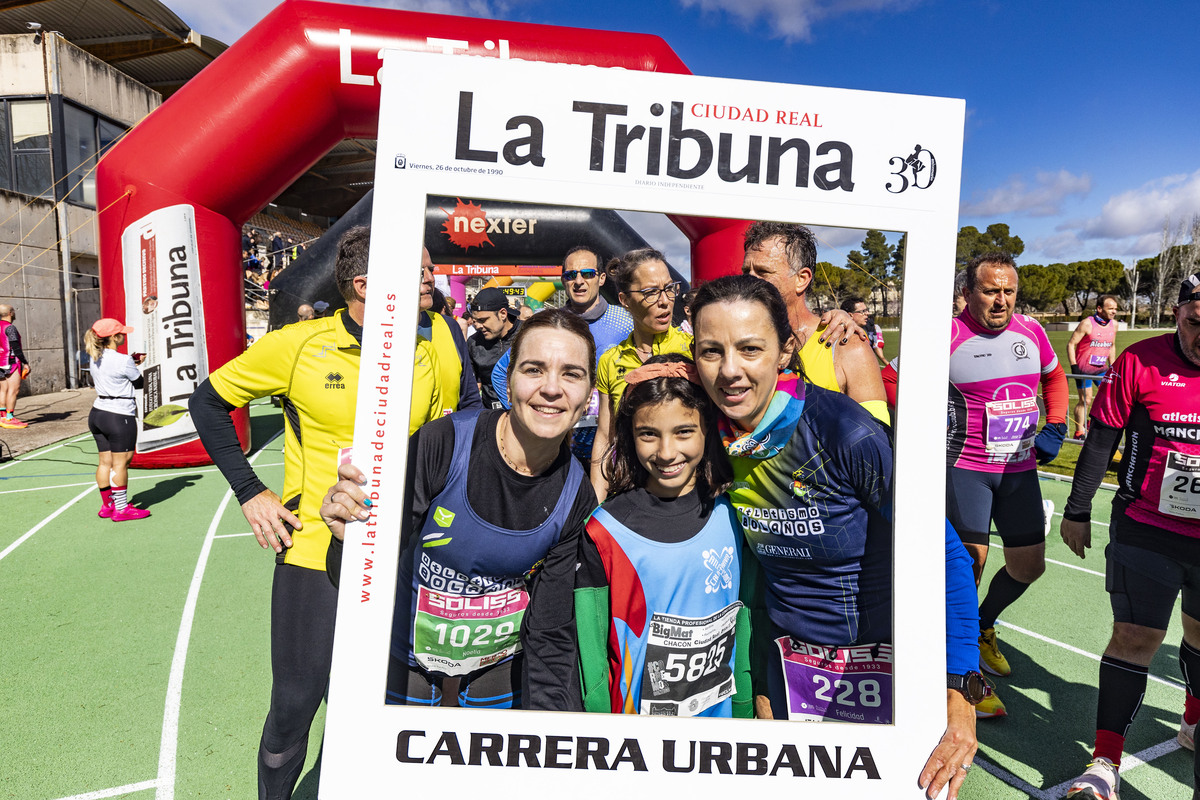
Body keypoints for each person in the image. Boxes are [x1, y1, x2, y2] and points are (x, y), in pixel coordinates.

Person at [691, 275, 982, 800]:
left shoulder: (847, 432)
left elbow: (946, 556)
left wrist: (958, 687)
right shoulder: (703, 433)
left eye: (750, 349)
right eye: (711, 351)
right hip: (785, 673)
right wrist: (761, 682)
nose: (729, 370)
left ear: (785, 351)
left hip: (884, 669)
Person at [187, 226, 439, 800]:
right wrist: (251, 491)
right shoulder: (300, 345)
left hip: (397, 555)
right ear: (362, 284)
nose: (430, 278)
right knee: (294, 706)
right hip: (311, 556)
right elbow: (208, 401)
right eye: (416, 269)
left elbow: (449, 429)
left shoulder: (429, 346)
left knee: (367, 704)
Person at [323, 308, 599, 710]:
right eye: (534, 370)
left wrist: (550, 735)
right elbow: (351, 577)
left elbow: (551, 631)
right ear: (508, 378)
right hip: (402, 651)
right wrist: (346, 542)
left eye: (571, 374)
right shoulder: (442, 444)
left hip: (500, 663)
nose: (552, 389)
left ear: (589, 391)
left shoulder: (577, 495)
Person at [1061, 274, 1200, 800]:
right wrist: (1077, 510)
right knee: (1135, 639)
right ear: (1178, 311)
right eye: (1194, 321)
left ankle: (1191, 720)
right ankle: (1104, 764)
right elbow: (1101, 438)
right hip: (1147, 528)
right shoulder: (1140, 360)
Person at [575, 353, 749, 717]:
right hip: (637, 741)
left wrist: (745, 707)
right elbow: (591, 658)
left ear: (708, 429)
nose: (667, 453)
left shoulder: (736, 514)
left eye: (684, 432)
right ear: (629, 436)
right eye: (648, 434)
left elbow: (746, 625)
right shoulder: (604, 532)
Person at [942, 252, 1068, 718]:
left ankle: (983, 626)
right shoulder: (947, 336)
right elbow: (893, 380)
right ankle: (963, 673)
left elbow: (1055, 377)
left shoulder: (1032, 332)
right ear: (969, 293)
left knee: (1029, 566)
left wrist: (1056, 424)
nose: (1000, 300)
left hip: (1018, 471)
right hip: (966, 468)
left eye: (1008, 291)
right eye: (990, 290)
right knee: (967, 568)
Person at [490, 245, 634, 463]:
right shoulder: (551, 322)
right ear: (563, 280)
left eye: (587, 274)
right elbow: (501, 372)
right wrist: (526, 418)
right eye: (570, 275)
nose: (578, 281)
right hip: (559, 451)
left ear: (601, 278)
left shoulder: (625, 320)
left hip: (614, 448)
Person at [742, 222, 888, 425]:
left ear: (802, 279)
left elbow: (875, 440)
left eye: (762, 272)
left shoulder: (847, 345)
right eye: (745, 271)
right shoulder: (734, 340)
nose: (749, 281)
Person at [591, 248, 692, 499]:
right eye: (650, 292)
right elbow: (605, 435)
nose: (665, 301)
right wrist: (596, 506)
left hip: (690, 491)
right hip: (631, 491)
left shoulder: (693, 348)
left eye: (670, 288)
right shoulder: (610, 360)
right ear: (624, 300)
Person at [86, 318, 151, 521]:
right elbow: (139, 383)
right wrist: (134, 364)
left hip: (98, 412)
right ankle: (121, 509)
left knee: (105, 462)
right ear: (114, 337)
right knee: (121, 463)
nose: (124, 335)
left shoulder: (94, 355)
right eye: (121, 333)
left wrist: (130, 362)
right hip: (119, 414)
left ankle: (108, 505)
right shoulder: (123, 360)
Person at [419, 247, 482, 416]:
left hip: (446, 440)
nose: (429, 278)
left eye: (431, 270)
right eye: (419, 271)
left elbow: (469, 399)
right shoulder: (348, 335)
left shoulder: (449, 326)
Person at [1067, 294, 1120, 440]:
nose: (1114, 312)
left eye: (1115, 309)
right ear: (1099, 308)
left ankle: (1093, 423)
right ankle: (1079, 432)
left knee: (1110, 397)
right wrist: (1074, 366)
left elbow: (1112, 345)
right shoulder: (1087, 324)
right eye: (1110, 309)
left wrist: (1113, 366)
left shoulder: (1114, 325)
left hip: (1102, 369)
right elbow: (1071, 344)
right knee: (1086, 399)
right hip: (1084, 369)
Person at [467, 287, 519, 408]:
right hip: (490, 415)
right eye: (475, 321)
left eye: (483, 320)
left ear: (502, 314)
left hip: (524, 413)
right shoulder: (473, 342)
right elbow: (470, 386)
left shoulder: (527, 335)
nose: (478, 326)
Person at [0, 304, 29, 428]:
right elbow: (15, 347)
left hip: (0, 361)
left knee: (3, 389)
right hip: (11, 361)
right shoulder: (10, 328)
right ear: (10, 313)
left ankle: (2, 416)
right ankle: (9, 418)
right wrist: (25, 363)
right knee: (13, 390)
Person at [841, 295, 887, 367]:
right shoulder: (845, 335)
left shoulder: (863, 331)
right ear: (850, 315)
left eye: (867, 310)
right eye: (862, 311)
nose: (867, 313)